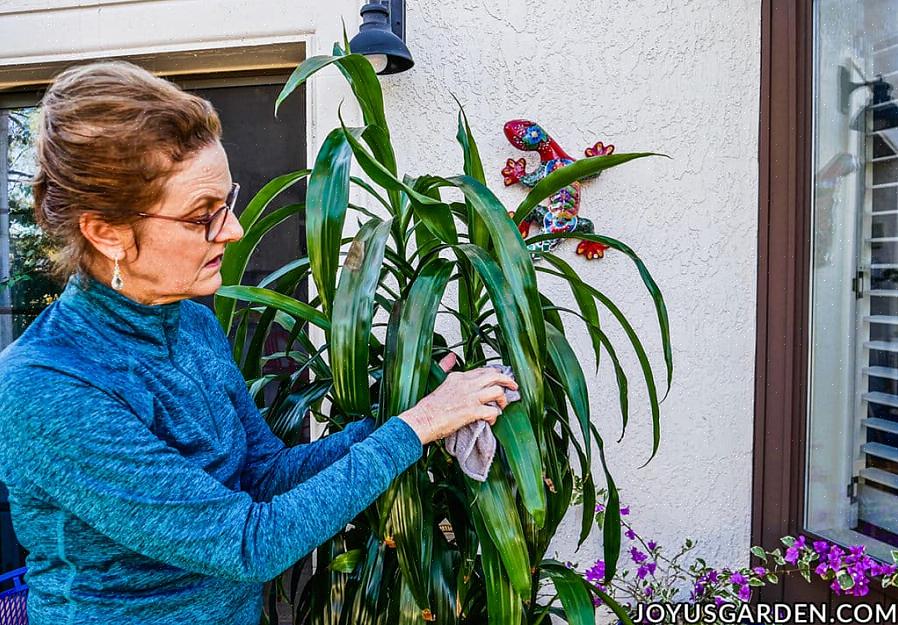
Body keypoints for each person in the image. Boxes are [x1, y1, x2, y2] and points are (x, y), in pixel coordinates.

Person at [0, 60, 518, 625]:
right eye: (202, 215)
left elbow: (265, 474)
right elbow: (247, 545)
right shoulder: (47, 388)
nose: (233, 229)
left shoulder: (191, 324)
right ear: (107, 233)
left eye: (228, 200)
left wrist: (412, 415)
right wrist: (413, 430)